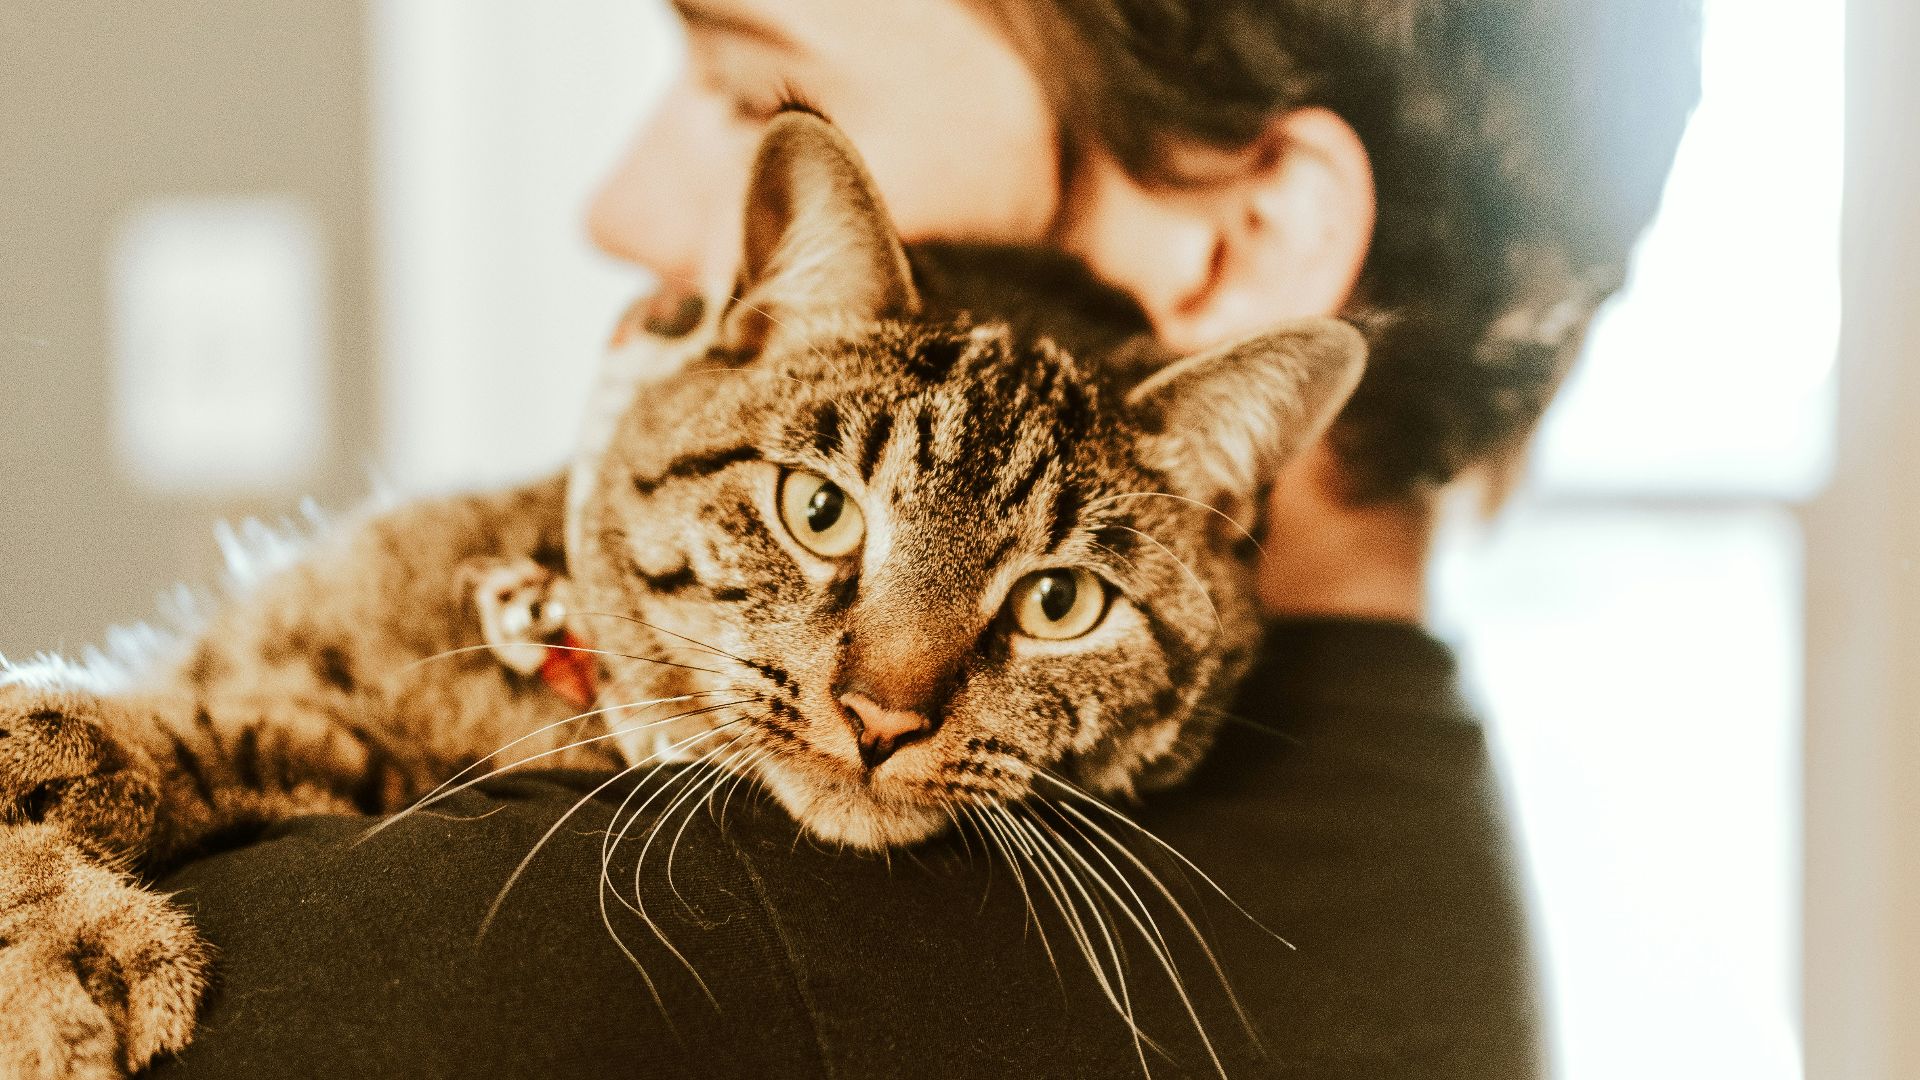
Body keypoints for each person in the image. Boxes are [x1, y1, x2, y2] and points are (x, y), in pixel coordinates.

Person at [147, 2, 1699, 1077]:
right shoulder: (1416, 844)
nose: (621, 210)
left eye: (754, 91)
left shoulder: (579, 950)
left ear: (1249, 237)